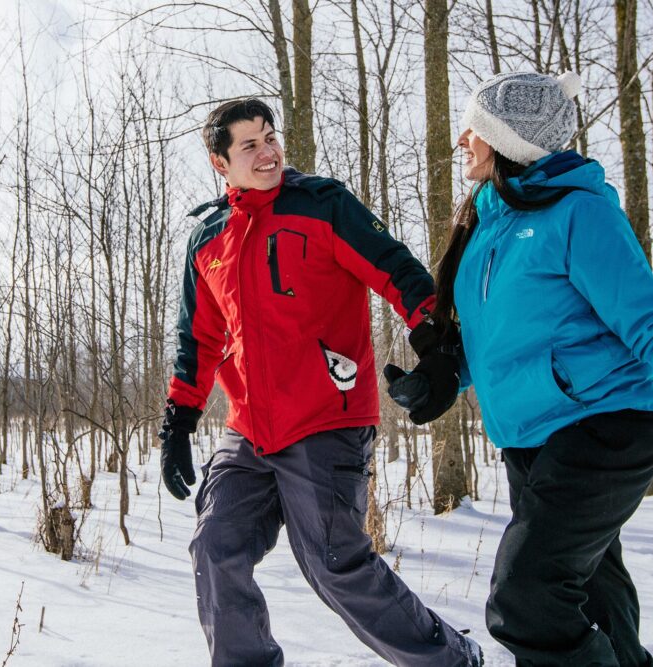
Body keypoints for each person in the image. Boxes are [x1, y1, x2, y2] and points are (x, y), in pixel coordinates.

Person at [384, 71, 653, 667]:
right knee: (595, 600)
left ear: (507, 140)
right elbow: (505, 340)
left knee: (526, 601)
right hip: (531, 443)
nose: (461, 139)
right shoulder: (488, 226)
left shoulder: (577, 214)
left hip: (601, 430)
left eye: (474, 128)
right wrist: (444, 378)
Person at [158, 98, 482, 667]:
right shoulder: (206, 240)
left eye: (270, 136)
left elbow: (394, 267)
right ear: (220, 162)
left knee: (334, 562)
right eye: (249, 145)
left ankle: (451, 660)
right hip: (249, 430)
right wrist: (179, 419)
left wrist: (433, 342)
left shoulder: (322, 204)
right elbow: (199, 339)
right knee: (215, 548)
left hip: (325, 415)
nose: (267, 152)